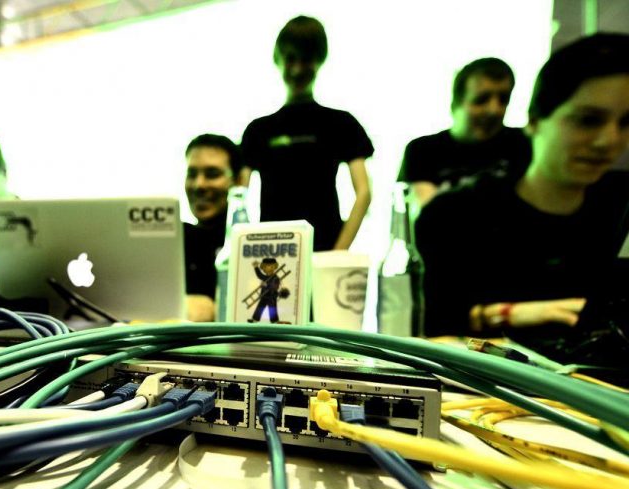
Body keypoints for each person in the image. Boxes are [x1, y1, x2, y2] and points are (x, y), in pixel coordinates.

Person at [415, 33, 629, 340]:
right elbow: (436, 331)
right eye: (587, 120)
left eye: (626, 122)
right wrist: (512, 314)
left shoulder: (620, 206)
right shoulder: (454, 215)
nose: (609, 141)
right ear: (535, 120)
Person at [239, 15, 374, 251]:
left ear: (319, 61)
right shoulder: (258, 130)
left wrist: (338, 252)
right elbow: (238, 196)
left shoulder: (341, 123)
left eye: (306, 60)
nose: (298, 69)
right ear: (278, 60)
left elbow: (363, 192)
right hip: (272, 254)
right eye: (291, 59)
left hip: (325, 250)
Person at [398, 57, 532, 207]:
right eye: (481, 99)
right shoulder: (423, 150)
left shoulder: (522, 143)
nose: (494, 110)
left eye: (503, 99)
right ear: (456, 103)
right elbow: (428, 217)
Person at [183, 133, 242, 321]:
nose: (199, 184)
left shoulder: (254, 245)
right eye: (192, 174)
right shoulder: (176, 240)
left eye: (212, 174)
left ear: (238, 180)